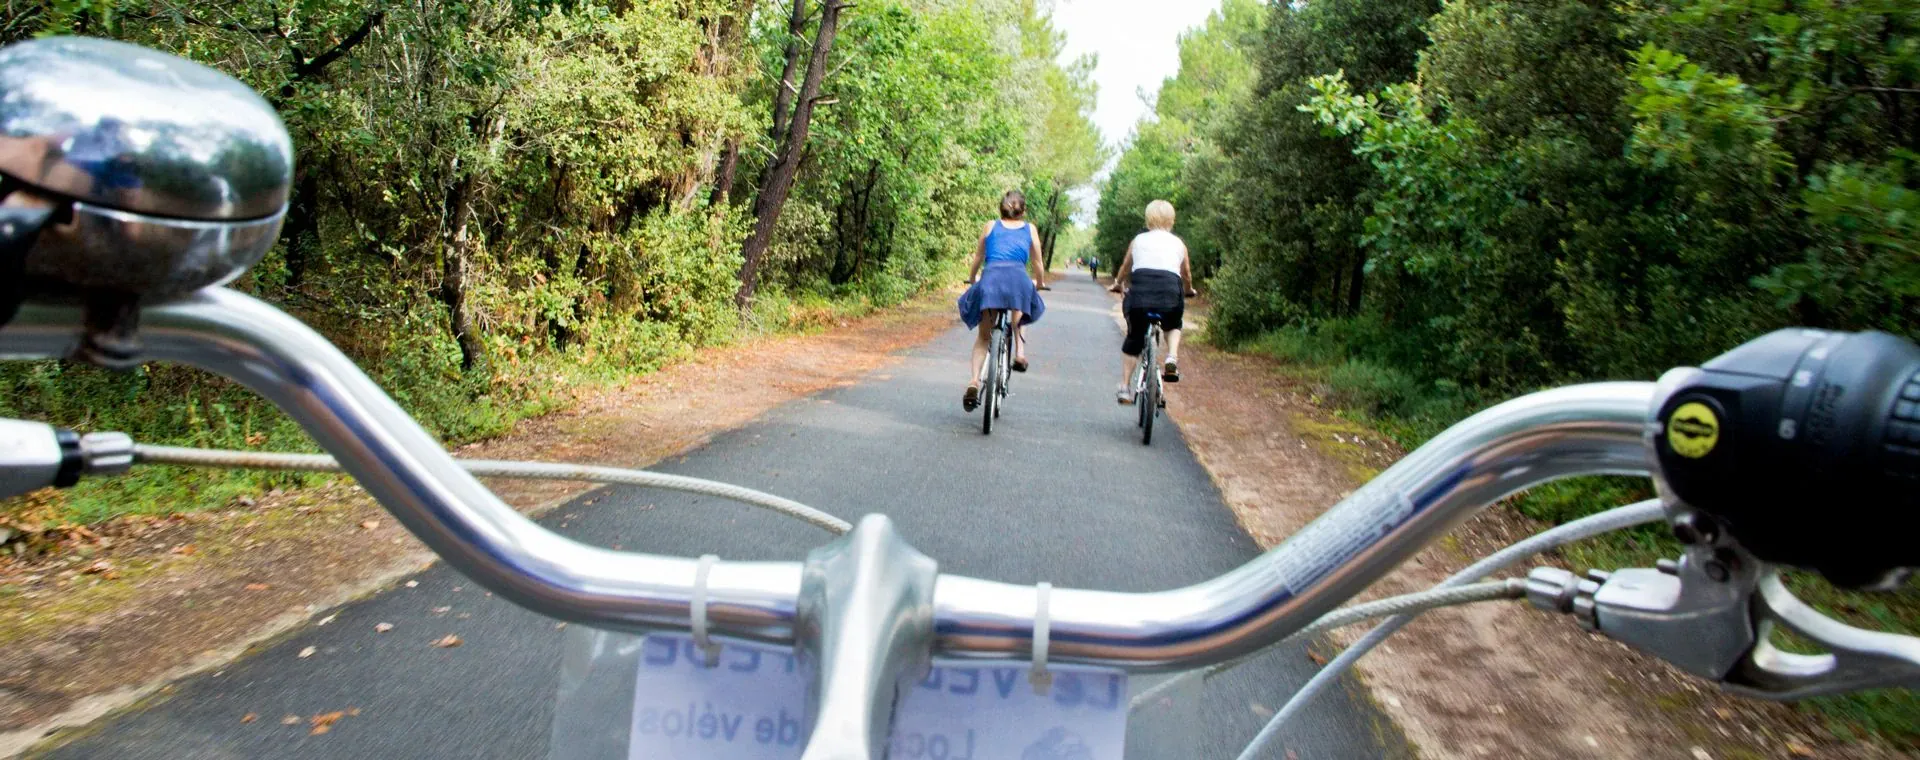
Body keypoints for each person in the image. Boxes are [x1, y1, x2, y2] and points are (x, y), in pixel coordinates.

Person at [957, 190, 1047, 411]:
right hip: (1017, 278)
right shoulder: (1030, 229)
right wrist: (1040, 282)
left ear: (1001, 208)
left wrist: (972, 278)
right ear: (1023, 211)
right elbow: (1037, 263)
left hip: (991, 279)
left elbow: (979, 257)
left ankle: (974, 381)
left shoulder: (990, 226)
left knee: (983, 338)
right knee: (1020, 310)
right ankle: (1020, 354)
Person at [1109, 200, 1197, 404]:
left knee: (1134, 337)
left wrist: (1117, 283)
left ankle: (1125, 388)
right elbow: (1186, 274)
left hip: (1140, 296)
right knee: (1173, 324)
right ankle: (1172, 357)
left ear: (1148, 219)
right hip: (1170, 294)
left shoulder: (1138, 240)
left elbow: (1125, 267)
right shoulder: (1178, 243)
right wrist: (1189, 289)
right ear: (1172, 220)